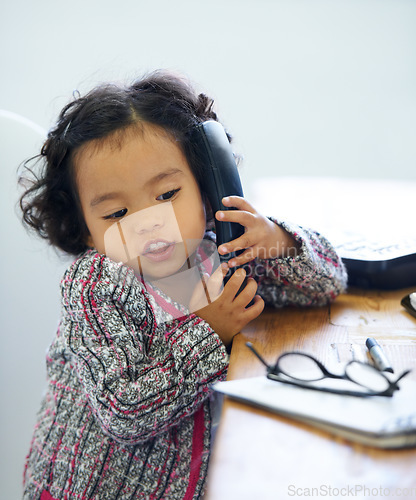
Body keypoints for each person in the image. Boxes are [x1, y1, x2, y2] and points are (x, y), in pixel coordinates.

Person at [19, 70, 347, 499]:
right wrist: (209, 331)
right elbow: (124, 411)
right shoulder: (96, 285)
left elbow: (325, 286)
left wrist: (278, 241)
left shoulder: (215, 255)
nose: (147, 221)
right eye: (116, 214)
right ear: (83, 229)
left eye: (166, 193)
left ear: (208, 186)